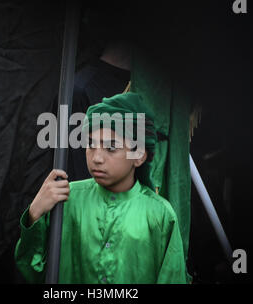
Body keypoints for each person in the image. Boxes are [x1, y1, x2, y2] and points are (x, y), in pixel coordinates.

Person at [14, 93, 188, 283]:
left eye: (111, 148)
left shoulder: (159, 214)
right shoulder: (65, 199)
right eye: (90, 145)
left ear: (138, 155)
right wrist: (34, 213)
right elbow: (32, 270)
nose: (96, 158)